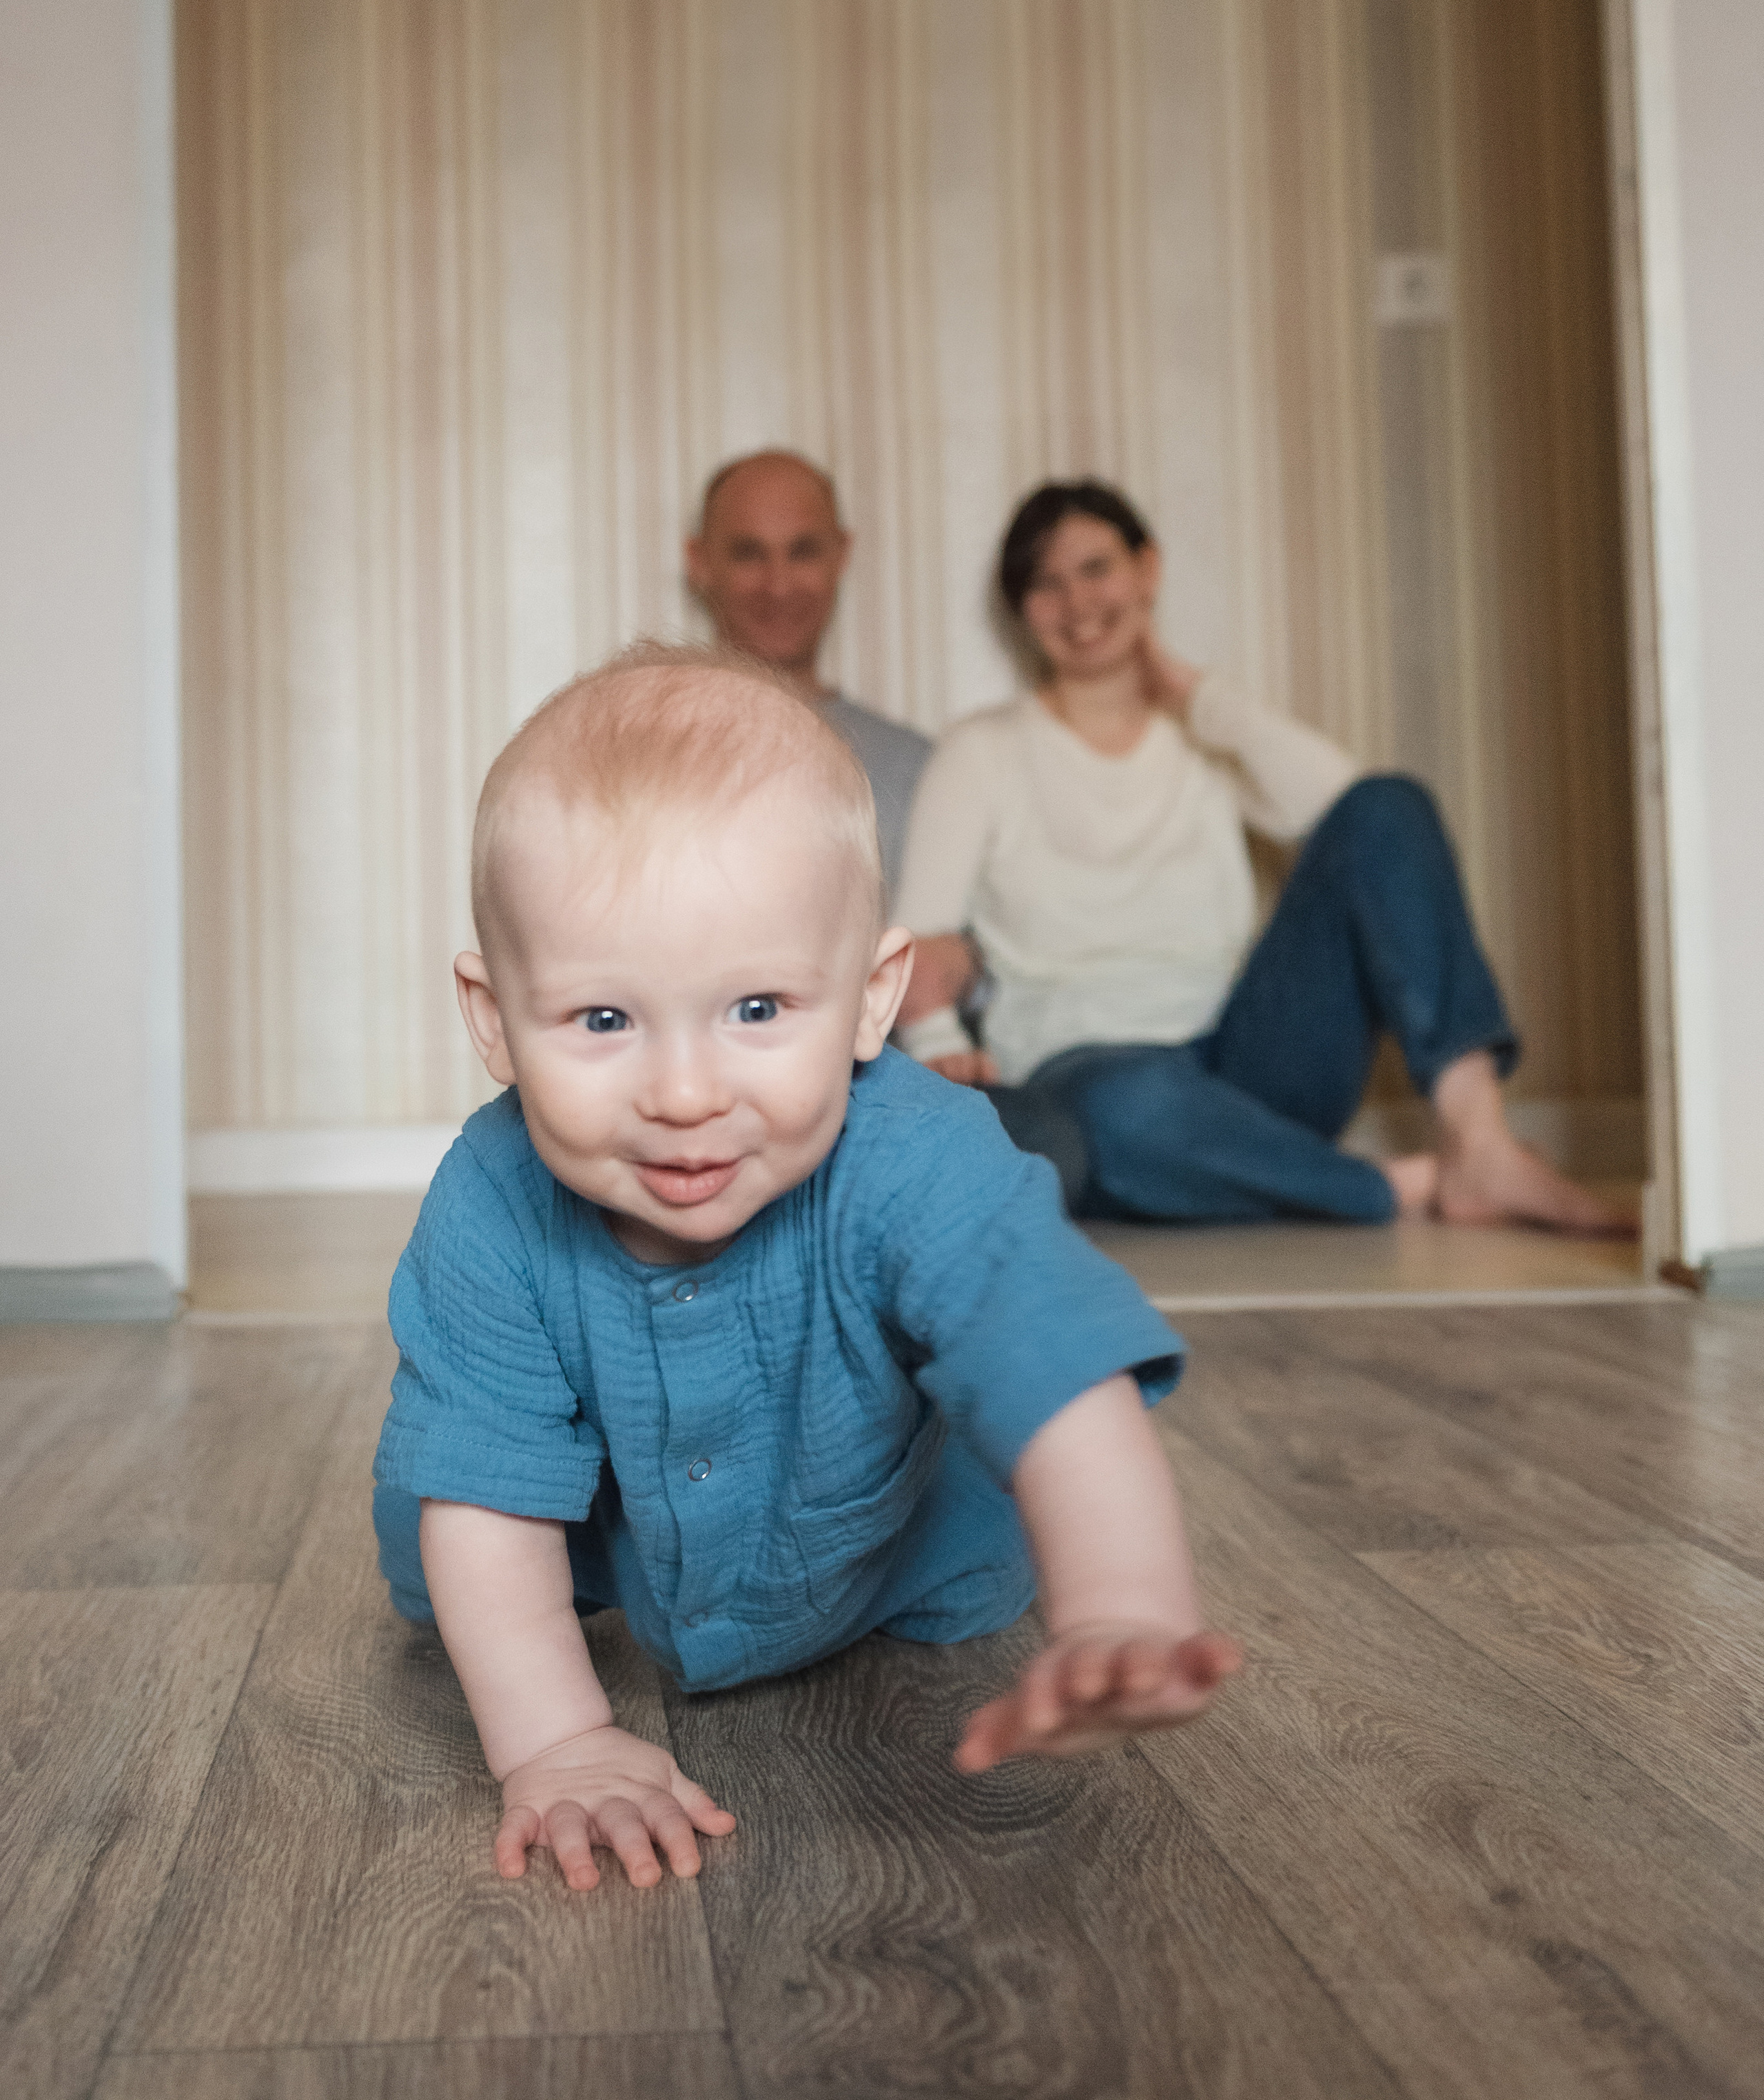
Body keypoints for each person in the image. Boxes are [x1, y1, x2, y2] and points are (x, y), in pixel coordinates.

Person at [372, 646, 1240, 1893]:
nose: (685, 1093)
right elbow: (488, 1492)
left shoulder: (924, 1154)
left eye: (758, 1009)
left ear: (874, 997)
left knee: (973, 1538)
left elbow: (1053, 1355)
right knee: (439, 1522)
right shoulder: (489, 1200)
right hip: (612, 1551)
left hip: (907, 1549)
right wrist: (557, 1741)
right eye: (605, 1019)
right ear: (495, 1019)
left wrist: (1121, 1608)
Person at [893, 479, 1628, 1236]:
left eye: (1096, 568)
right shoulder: (980, 751)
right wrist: (939, 1046)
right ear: (1022, 610)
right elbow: (919, 941)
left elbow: (1363, 818)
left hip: (1249, 1059)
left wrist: (1198, 698)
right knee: (1123, 1110)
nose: (1076, 602)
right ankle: (1398, 1183)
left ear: (1148, 569)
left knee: (1390, 800)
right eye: (1045, 584)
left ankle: (1477, 1136)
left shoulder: (1204, 734)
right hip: (1086, 1071)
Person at [686, 449, 930, 902]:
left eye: (803, 552)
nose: (778, 586)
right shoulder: (639, 750)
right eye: (748, 554)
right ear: (699, 561)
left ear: (842, 555)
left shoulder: (923, 774)